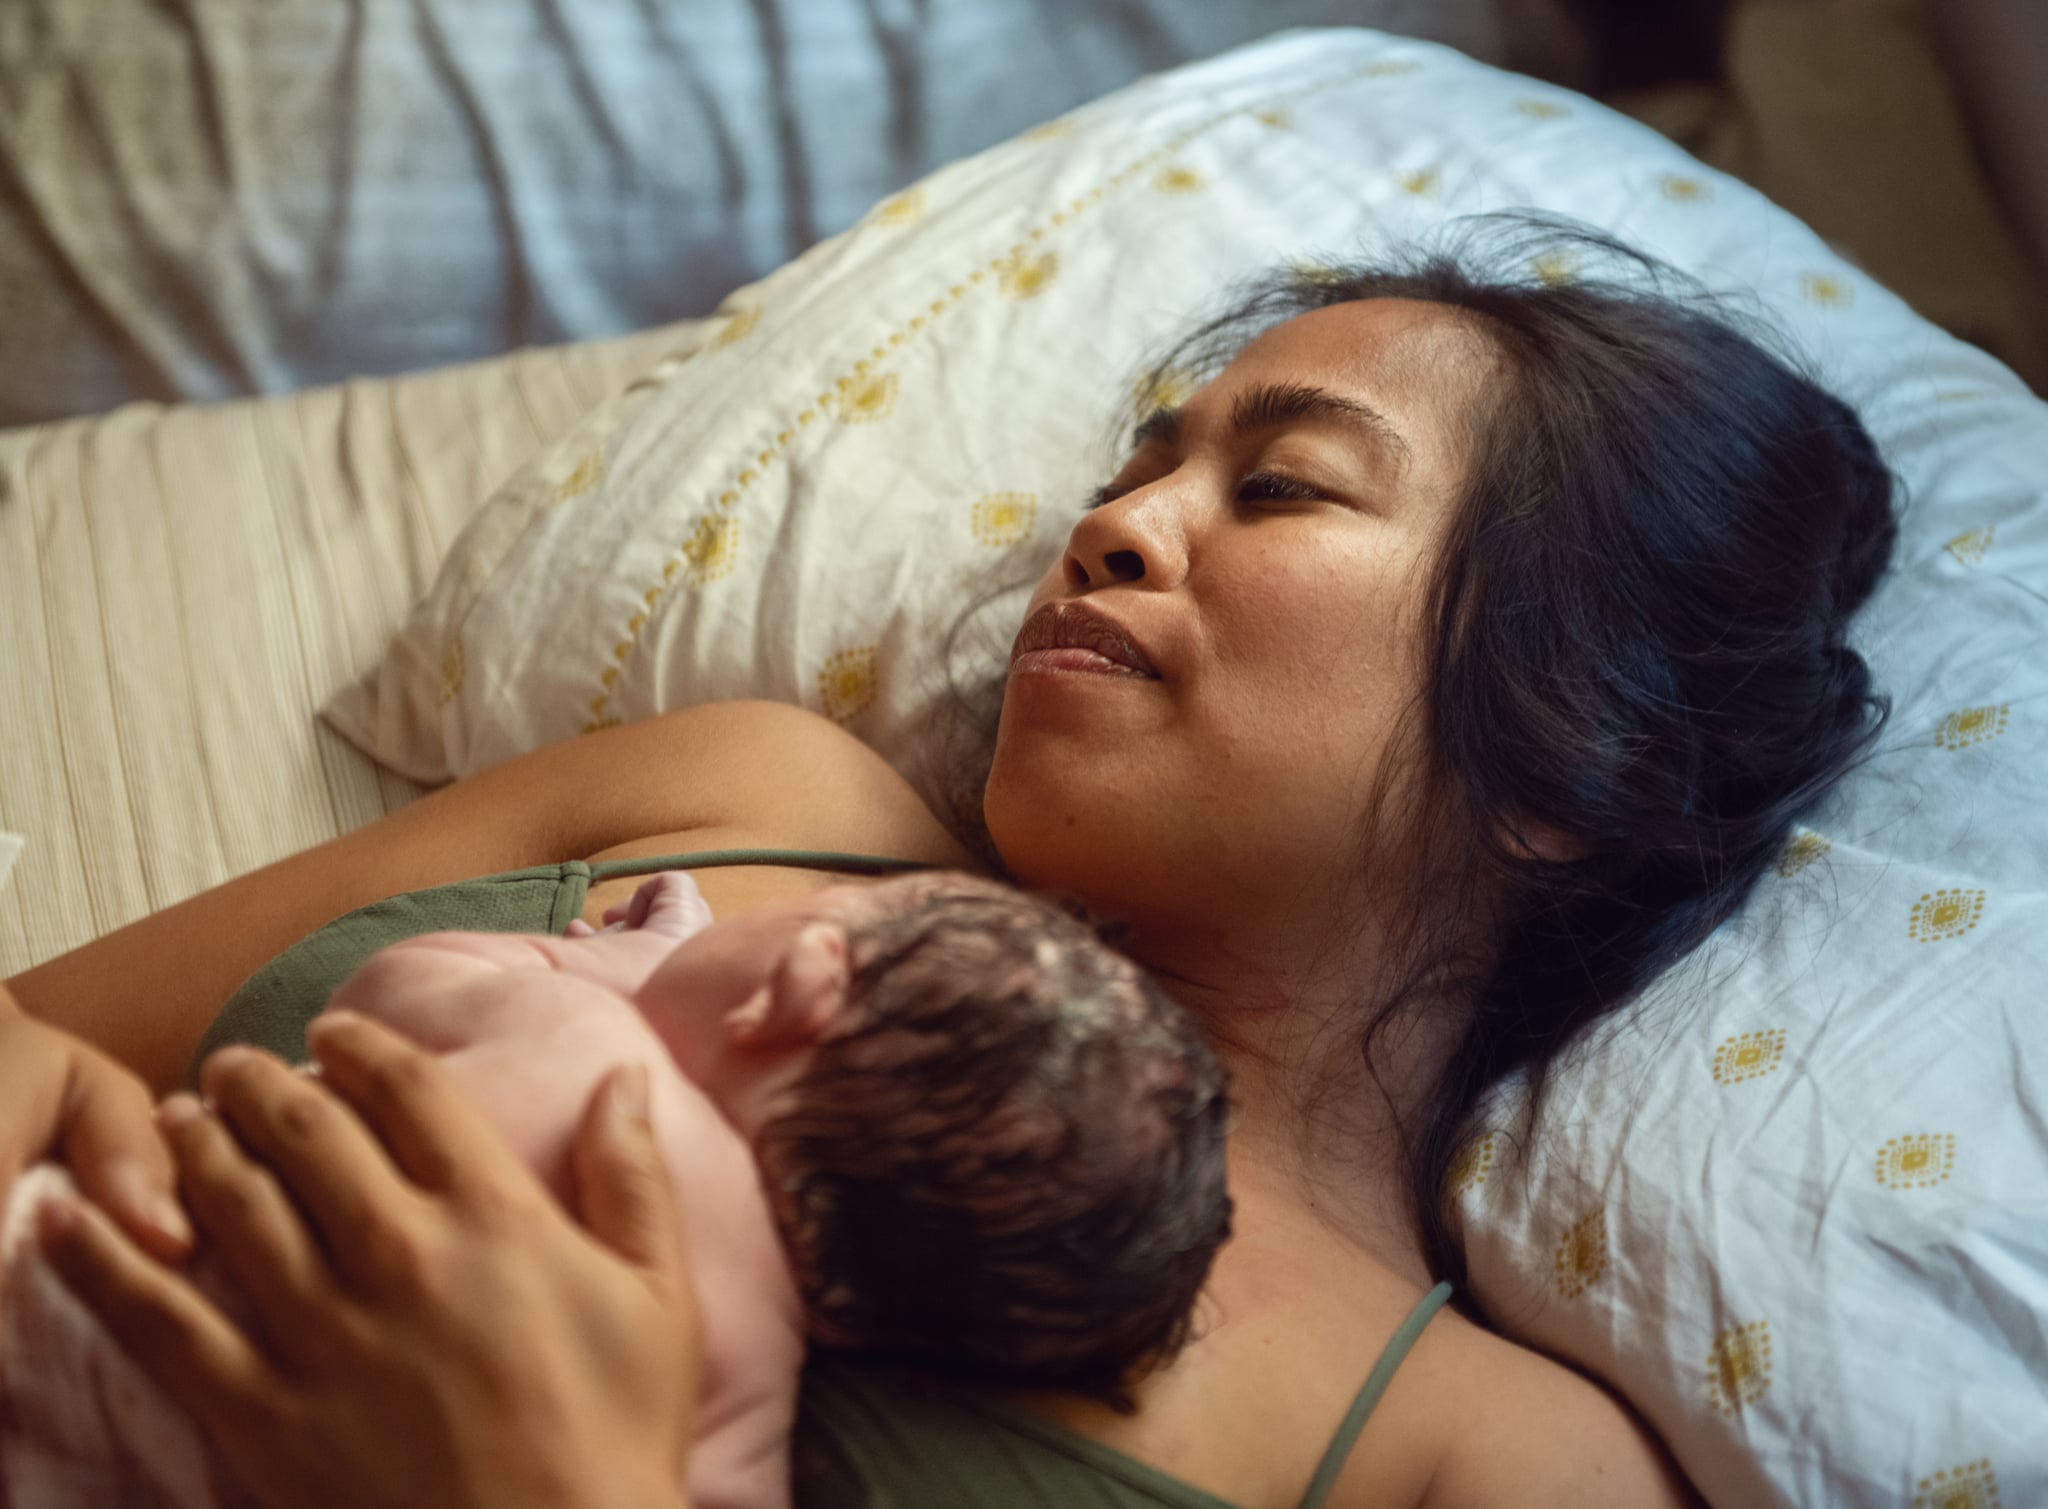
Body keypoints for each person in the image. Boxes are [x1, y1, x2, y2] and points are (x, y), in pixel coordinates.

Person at [1, 219, 1895, 1508]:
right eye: (1139, 464)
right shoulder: (745, 793)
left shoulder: (1480, 1461)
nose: (1116, 523)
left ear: (1571, 755)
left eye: (1284, 486)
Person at [1, 869, 1231, 1509]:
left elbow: (383, 1000)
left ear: (797, 988)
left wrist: (604, 969)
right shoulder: (756, 1375)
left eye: (813, 909)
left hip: (66, 1297)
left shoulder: (593, 1051)